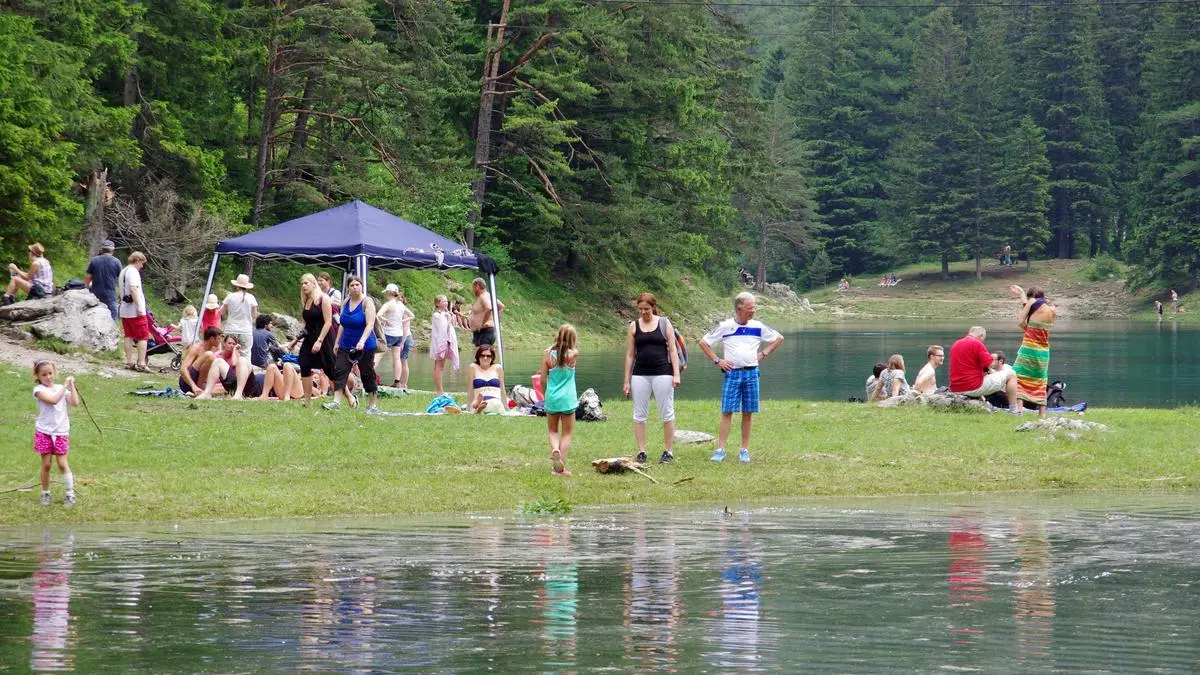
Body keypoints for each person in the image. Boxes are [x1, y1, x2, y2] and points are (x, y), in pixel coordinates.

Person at [698, 292, 784, 463]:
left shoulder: (758, 326)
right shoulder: (725, 326)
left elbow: (778, 338)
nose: (754, 310)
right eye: (750, 307)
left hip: (752, 373)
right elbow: (704, 342)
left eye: (754, 307)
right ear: (739, 308)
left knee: (748, 412)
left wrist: (764, 353)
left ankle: (744, 450)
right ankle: (720, 449)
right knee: (727, 411)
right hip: (732, 373)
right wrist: (718, 360)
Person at [622, 292, 681, 464]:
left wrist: (676, 373)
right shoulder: (634, 326)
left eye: (646, 309)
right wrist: (626, 380)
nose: (643, 312)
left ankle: (668, 451)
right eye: (640, 309)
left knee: (666, 411)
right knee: (639, 414)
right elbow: (630, 354)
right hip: (640, 374)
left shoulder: (664, 323)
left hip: (663, 372)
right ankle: (641, 451)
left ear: (653, 307)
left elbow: (672, 350)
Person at [324, 275, 379, 413]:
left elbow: (370, 324)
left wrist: (362, 341)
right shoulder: (346, 302)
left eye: (357, 285)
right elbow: (342, 324)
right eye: (352, 285)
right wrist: (337, 342)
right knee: (340, 370)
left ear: (361, 286)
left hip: (365, 345)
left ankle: (372, 404)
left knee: (367, 373)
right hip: (346, 344)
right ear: (348, 288)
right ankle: (336, 402)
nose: (355, 288)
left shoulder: (367, 302)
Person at [31, 360, 78, 506]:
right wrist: (64, 386)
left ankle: (70, 494)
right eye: (44, 374)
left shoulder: (60, 388)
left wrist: (71, 386)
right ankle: (45, 493)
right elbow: (52, 400)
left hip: (61, 432)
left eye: (50, 373)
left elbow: (75, 403)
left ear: (54, 373)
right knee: (46, 464)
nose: (48, 377)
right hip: (44, 431)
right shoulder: (38, 390)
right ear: (37, 376)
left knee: (63, 464)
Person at [949, 326, 1021, 413]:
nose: (983, 341)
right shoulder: (977, 344)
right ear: (981, 335)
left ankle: (985, 405)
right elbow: (990, 364)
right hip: (971, 387)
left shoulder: (956, 344)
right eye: (983, 339)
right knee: (1012, 374)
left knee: (982, 377)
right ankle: (1014, 410)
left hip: (955, 387)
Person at [539, 324, 579, 476]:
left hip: (552, 398)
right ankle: (560, 464)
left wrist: (545, 395)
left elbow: (543, 379)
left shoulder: (548, 355)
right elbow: (572, 350)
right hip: (568, 399)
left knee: (553, 430)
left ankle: (555, 448)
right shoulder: (573, 354)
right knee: (567, 433)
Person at [1011, 284, 1057, 418]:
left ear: (1032, 296)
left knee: (1018, 376)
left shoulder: (1031, 302)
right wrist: (1021, 295)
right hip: (1043, 351)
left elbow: (1021, 321)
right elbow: (1034, 310)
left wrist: (1029, 331)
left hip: (1029, 348)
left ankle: (1019, 409)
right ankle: (1042, 414)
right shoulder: (1052, 309)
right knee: (1041, 379)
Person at [298, 273, 335, 407]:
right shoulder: (306, 300)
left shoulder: (323, 299)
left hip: (324, 338)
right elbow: (306, 323)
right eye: (302, 284)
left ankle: (348, 396)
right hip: (309, 338)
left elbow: (328, 322)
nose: (303, 286)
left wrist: (319, 341)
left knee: (330, 368)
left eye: (306, 283)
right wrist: (295, 340)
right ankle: (307, 400)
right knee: (304, 363)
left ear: (314, 284)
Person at [377, 283, 415, 389]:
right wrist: (403, 320)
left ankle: (367, 379)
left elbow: (378, 315)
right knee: (397, 358)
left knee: (377, 355)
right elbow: (412, 315)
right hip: (399, 334)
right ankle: (397, 382)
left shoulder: (389, 304)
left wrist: (386, 320)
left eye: (386, 293)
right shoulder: (400, 304)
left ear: (389, 293)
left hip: (389, 333)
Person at [118, 251, 150, 372]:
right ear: (137, 260)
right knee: (143, 336)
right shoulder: (133, 272)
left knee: (128, 335)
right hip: (134, 310)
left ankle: (129, 361)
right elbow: (133, 289)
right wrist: (140, 307)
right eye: (142, 263)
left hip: (124, 309)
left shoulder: (123, 271)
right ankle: (141, 363)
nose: (142, 266)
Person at [220, 274, 258, 360]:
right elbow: (254, 315)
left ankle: (226, 372)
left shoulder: (230, 296)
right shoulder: (251, 298)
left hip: (231, 328)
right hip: (246, 330)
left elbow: (222, 312)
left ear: (237, 285)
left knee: (228, 353)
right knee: (245, 354)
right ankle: (244, 372)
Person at [178, 326, 223, 395]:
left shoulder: (215, 349)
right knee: (209, 355)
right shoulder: (196, 348)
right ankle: (198, 389)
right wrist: (194, 386)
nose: (220, 341)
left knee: (228, 386)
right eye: (219, 339)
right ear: (212, 339)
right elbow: (183, 369)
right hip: (188, 383)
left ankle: (200, 392)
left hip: (202, 381)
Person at [430, 295, 460, 395]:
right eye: (443, 301)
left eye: (446, 301)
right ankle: (439, 390)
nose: (446, 303)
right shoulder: (437, 315)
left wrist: (450, 316)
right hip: (440, 343)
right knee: (438, 365)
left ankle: (440, 390)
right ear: (437, 303)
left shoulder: (445, 314)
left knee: (441, 366)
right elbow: (444, 329)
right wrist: (449, 319)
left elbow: (452, 326)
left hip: (446, 342)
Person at [85, 240, 121, 319]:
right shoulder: (116, 262)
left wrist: (87, 289)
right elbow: (121, 280)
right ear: (113, 250)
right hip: (110, 294)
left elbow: (88, 277)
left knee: (94, 315)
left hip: (95, 292)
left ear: (102, 249)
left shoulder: (94, 260)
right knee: (112, 316)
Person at [467, 344, 507, 414]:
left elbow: (502, 389)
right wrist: (468, 407)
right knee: (477, 404)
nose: (485, 358)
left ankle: (479, 409)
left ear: (492, 357)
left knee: (496, 404)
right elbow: (470, 390)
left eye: (488, 356)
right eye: (482, 355)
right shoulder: (473, 367)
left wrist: (506, 407)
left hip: (495, 399)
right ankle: (478, 407)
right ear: (478, 356)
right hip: (479, 398)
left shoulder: (498, 368)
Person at [469, 277, 506, 348]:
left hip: (484, 331)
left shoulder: (484, 296)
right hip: (483, 332)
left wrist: (483, 323)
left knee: (483, 356)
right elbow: (501, 306)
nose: (472, 290)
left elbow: (489, 308)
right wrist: (495, 319)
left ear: (477, 286)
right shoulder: (488, 295)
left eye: (473, 287)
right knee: (480, 356)